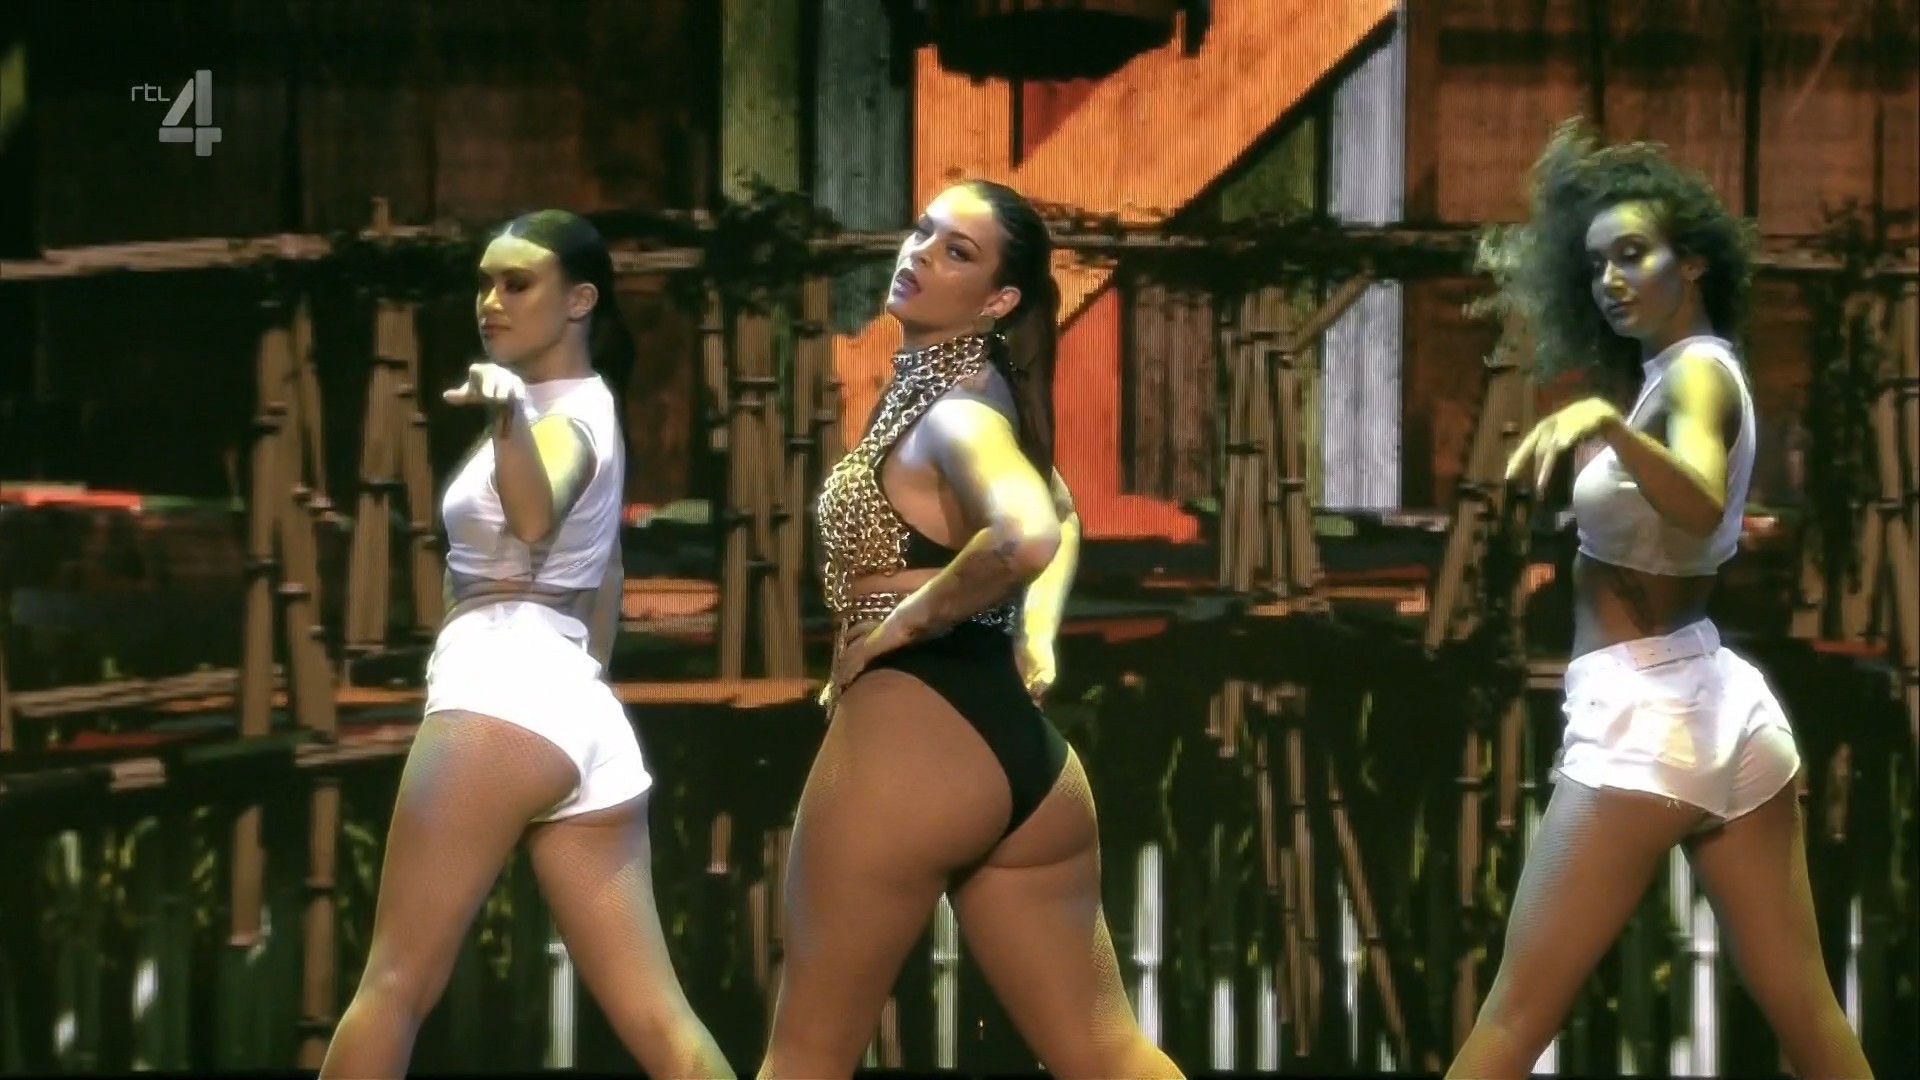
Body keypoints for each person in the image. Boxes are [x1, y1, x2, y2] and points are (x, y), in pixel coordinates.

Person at [1447, 121, 1873, 1078]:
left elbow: (1702, 500)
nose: (1612, 280)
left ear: (1696, 261)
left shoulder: (1696, 377)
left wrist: (1607, 428)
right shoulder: (1675, 377)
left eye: (1634, 253)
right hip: (1716, 705)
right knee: (1809, 1015)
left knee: (1510, 1025)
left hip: (1650, 720)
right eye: (1599, 263)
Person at [756, 180, 1182, 1079]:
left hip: (911, 746)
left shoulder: (956, 414)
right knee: (1108, 1056)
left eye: (958, 252)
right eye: (923, 232)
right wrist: (1038, 635)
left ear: (998, 300)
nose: (920, 254)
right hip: (1023, 764)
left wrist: (900, 625)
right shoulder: (964, 397)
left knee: (803, 1060)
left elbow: (1025, 534)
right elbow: (1058, 511)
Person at [319, 211, 733, 1079]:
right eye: (484, 283)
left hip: (501, 695)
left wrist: (507, 417)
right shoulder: (582, 409)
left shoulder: (565, 417)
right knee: (664, 1025)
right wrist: (573, 695)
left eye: (517, 283)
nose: (491, 301)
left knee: (393, 985)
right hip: (576, 708)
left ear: (579, 300)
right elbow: (604, 583)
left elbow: (536, 515)